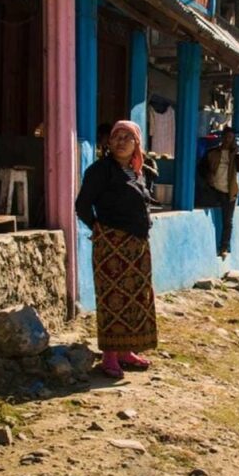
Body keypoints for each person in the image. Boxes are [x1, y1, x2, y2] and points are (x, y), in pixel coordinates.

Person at [75, 120, 157, 379]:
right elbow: (83, 205)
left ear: (137, 144)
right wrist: (101, 231)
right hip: (112, 245)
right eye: (116, 137)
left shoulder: (138, 172)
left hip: (137, 246)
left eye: (127, 137)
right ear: (109, 143)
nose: (121, 141)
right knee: (114, 298)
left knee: (136, 296)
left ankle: (126, 351)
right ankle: (110, 356)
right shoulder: (101, 171)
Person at [198, 126, 239, 256]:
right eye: (226, 137)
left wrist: (238, 153)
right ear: (222, 137)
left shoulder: (235, 154)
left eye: (231, 138)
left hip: (230, 191)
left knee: (227, 221)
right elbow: (201, 168)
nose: (228, 140)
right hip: (214, 189)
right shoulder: (212, 152)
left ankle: (224, 247)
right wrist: (208, 176)